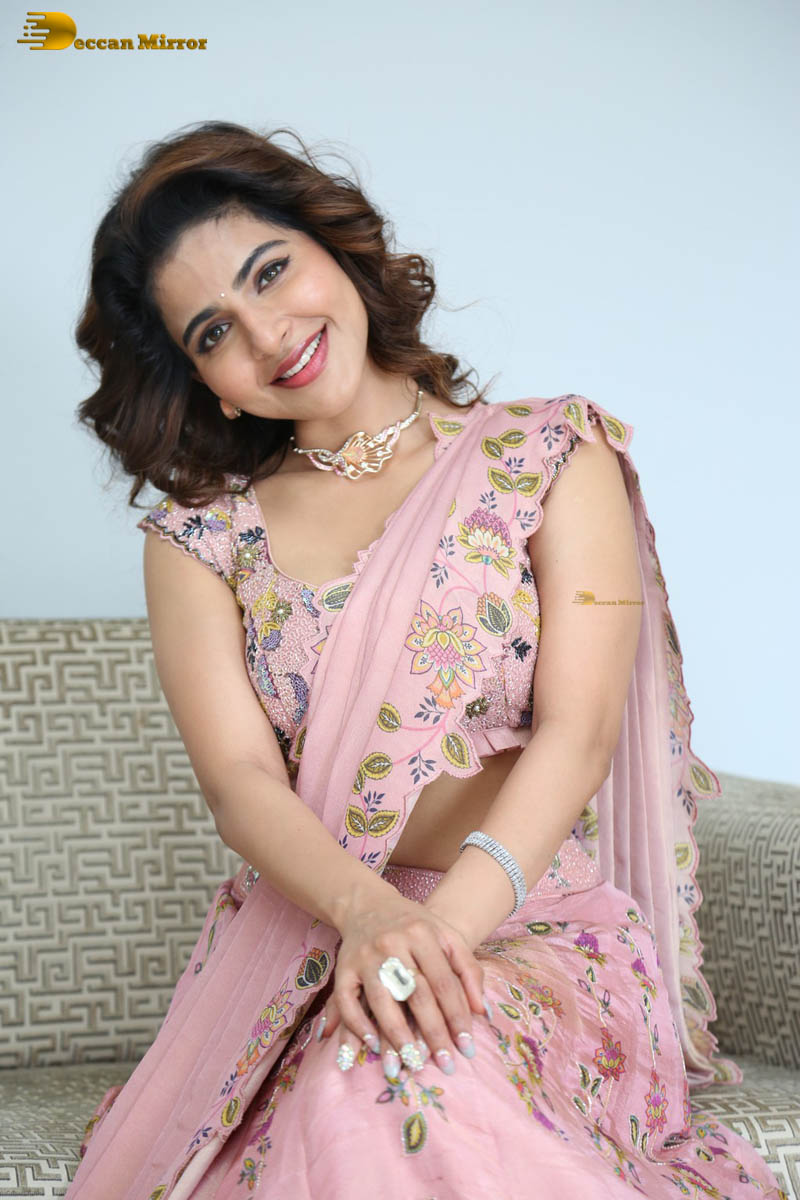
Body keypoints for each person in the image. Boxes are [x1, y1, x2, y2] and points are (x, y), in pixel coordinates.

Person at [66, 120, 787, 1200]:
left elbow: (578, 732)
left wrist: (431, 938)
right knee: (343, 1096)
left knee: (386, 1089)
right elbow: (240, 781)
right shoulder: (201, 540)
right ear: (209, 382)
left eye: (271, 272)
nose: (268, 333)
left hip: (531, 927)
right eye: (215, 331)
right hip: (312, 941)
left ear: (335, 249)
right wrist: (372, 918)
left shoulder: (547, 455)